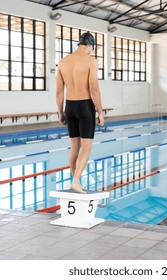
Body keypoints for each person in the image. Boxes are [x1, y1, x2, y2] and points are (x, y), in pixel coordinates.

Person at [56, 32, 105, 194]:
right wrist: (100, 112)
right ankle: (76, 180)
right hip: (85, 107)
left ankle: (75, 180)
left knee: (74, 148)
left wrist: (60, 113)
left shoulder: (63, 62)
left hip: (70, 107)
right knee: (86, 147)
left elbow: (58, 92)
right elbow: (94, 89)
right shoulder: (91, 61)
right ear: (90, 45)